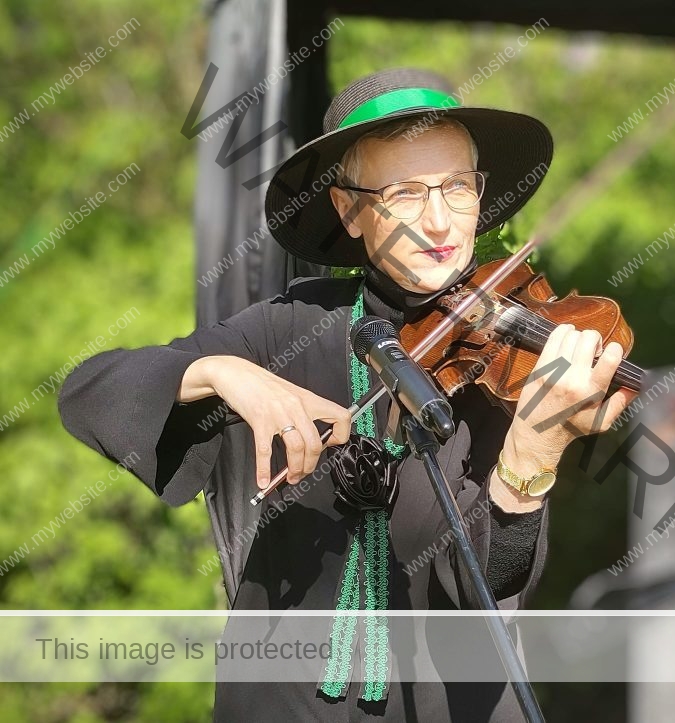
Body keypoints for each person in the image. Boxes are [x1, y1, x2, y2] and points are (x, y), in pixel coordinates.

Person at [58, 67, 637, 721]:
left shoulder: (509, 374)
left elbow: (480, 591)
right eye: (405, 194)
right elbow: (88, 394)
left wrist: (532, 454)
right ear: (351, 210)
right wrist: (223, 372)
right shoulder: (288, 327)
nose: (440, 220)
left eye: (457, 187)